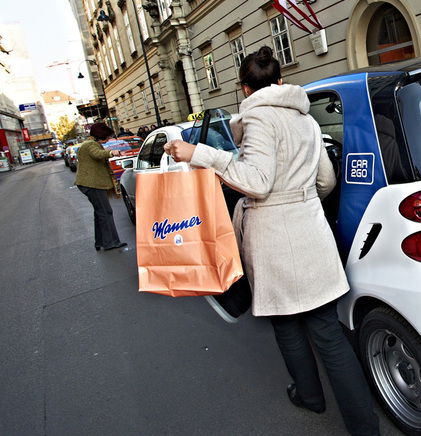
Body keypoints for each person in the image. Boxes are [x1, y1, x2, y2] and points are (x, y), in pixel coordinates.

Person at [163, 46, 379, 435]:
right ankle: (365, 426)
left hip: (276, 240)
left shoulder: (259, 120)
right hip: (312, 232)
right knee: (329, 334)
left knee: (287, 326)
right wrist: (302, 200)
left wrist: (203, 154)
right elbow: (327, 180)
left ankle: (310, 397)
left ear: (244, 89)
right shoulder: (308, 120)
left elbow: (257, 183)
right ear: (280, 81)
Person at [75, 122, 127, 252]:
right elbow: (97, 154)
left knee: (100, 213)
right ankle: (110, 242)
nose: (107, 140)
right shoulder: (90, 145)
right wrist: (111, 153)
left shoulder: (89, 143)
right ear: (100, 135)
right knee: (105, 212)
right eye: (106, 137)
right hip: (92, 184)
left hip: (89, 184)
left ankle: (100, 242)